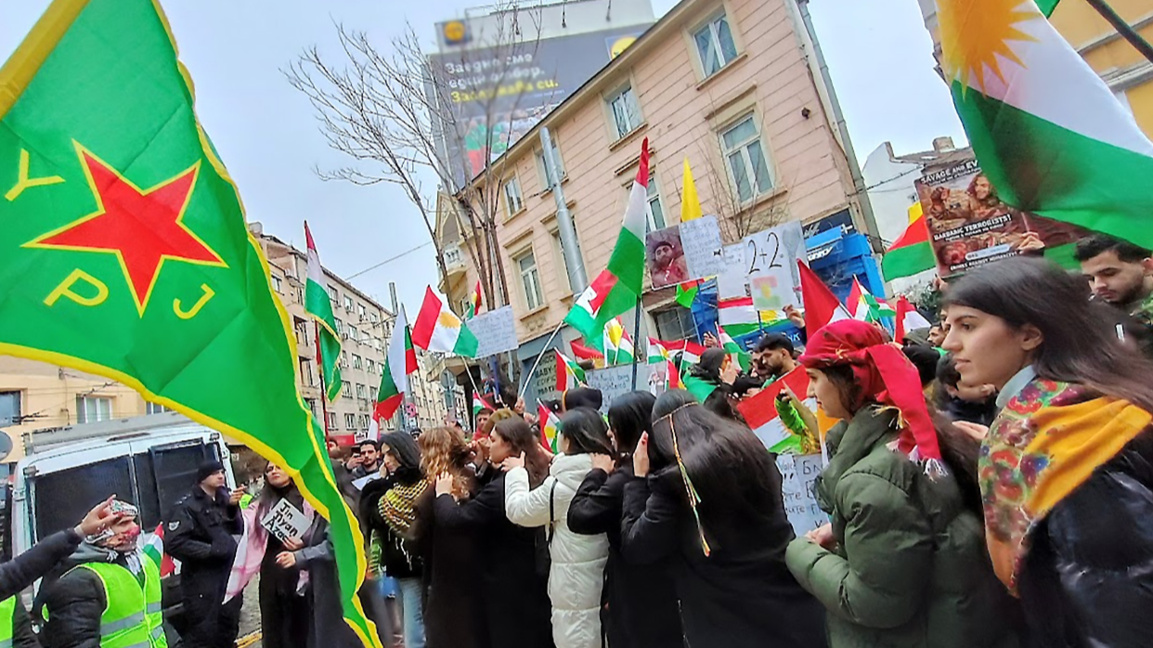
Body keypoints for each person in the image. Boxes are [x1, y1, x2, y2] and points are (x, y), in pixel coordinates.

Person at [943, 256, 1153, 646]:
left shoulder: (1077, 439)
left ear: (1029, 334)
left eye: (967, 326)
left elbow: (1122, 600)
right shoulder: (1034, 424)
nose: (948, 343)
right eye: (949, 325)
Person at [785, 319, 1017, 648]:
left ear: (852, 379)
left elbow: (873, 603)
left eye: (814, 379)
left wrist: (799, 552)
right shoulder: (912, 431)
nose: (809, 392)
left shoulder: (872, 479)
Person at [621, 390, 826, 648]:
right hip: (791, 603)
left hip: (730, 620)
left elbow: (638, 545)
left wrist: (638, 481)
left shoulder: (676, 482)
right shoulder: (751, 448)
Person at [568, 391, 683, 648]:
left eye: (614, 427)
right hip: (674, 592)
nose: (609, 433)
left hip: (636, 597)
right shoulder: (675, 464)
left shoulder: (627, 479)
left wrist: (596, 473)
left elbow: (579, 516)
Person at [431, 418, 552, 648]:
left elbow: (457, 520)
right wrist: (484, 462)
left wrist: (443, 495)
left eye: (494, 440)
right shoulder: (534, 472)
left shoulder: (504, 486)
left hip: (507, 585)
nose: (488, 443)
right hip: (530, 579)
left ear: (509, 445)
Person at [504, 409, 613, 648]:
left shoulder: (561, 485)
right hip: (602, 583)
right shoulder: (606, 469)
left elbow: (518, 510)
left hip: (574, 590)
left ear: (569, 440)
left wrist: (516, 473)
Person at [40, 500, 167, 648]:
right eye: (123, 524)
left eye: (133, 521)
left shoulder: (145, 564)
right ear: (100, 532)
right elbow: (76, 643)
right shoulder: (80, 580)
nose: (135, 528)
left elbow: (155, 623)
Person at [412, 428, 487, 648]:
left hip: (445, 583)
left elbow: (418, 541)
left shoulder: (433, 494)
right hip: (476, 577)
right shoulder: (473, 479)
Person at [164, 460, 244, 648]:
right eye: (215, 473)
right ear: (202, 478)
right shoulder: (187, 507)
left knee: (228, 630)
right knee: (205, 635)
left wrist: (232, 508)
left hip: (228, 580)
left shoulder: (225, 501)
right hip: (202, 584)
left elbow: (237, 530)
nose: (221, 476)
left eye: (222, 472)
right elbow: (175, 543)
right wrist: (210, 551)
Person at [361, 432, 427, 648]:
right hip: (396, 566)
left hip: (415, 567)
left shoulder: (423, 484)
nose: (386, 460)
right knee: (407, 626)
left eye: (391, 454)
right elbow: (373, 516)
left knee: (414, 633)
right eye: (384, 455)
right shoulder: (389, 487)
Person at [1074, 234, 1153, 356]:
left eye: (1109, 273)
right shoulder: (1091, 313)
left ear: (1147, 267)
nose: (1098, 285)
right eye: (1090, 278)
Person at [934, 353, 997, 428]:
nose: (987, 388)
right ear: (951, 389)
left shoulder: (1001, 400)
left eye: (987, 380)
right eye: (972, 385)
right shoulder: (952, 424)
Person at [685, 348, 740, 419]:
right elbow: (712, 412)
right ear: (716, 366)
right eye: (726, 361)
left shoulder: (712, 377)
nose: (729, 364)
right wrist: (727, 385)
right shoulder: (696, 385)